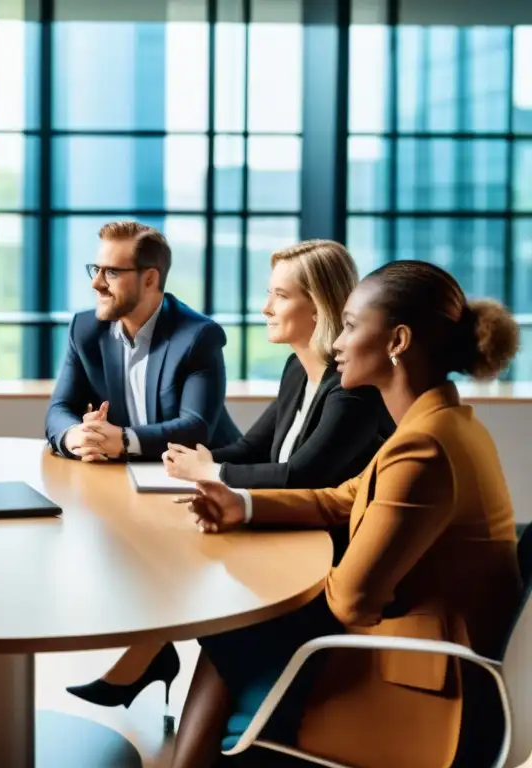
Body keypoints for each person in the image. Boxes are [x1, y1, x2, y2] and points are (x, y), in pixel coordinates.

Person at [172, 260, 522, 768]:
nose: (336, 341)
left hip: (429, 681)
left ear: (397, 341)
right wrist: (242, 505)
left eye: (353, 326)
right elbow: (343, 496)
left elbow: (353, 601)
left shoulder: (424, 445)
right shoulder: (438, 423)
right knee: (228, 633)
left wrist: (280, 586)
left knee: (228, 631)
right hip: (438, 652)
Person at [66, 239, 396, 714]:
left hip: (319, 564)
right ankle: (146, 663)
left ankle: (147, 662)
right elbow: (249, 448)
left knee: (194, 575)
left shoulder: (352, 394)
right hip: (284, 534)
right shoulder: (297, 372)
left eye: (280, 296)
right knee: (176, 546)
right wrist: (175, 468)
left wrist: (211, 471)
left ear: (319, 306)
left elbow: (302, 475)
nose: (265, 307)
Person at [45, 220, 240, 463]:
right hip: (127, 474)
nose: (96, 283)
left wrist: (123, 440)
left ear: (149, 279)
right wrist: (75, 436)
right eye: (96, 270)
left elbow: (195, 428)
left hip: (208, 476)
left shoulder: (197, 336)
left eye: (112, 272)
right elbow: (59, 409)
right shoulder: (86, 329)